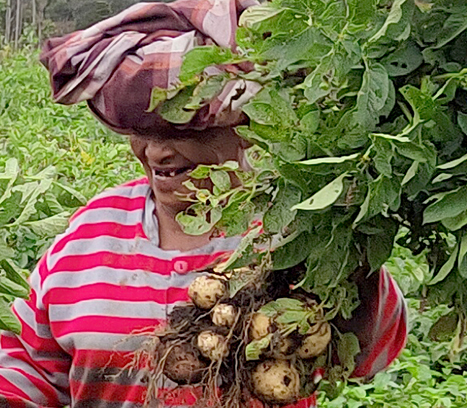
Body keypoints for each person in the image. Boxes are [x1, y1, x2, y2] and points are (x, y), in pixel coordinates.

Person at [0, 1, 408, 407]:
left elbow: (371, 353)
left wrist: (349, 241)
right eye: (142, 130)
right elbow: (30, 364)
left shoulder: (292, 229)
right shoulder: (89, 234)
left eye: (182, 130)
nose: (157, 153)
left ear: (247, 127)